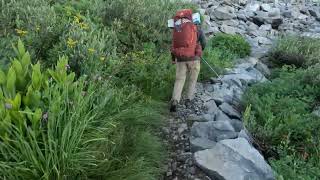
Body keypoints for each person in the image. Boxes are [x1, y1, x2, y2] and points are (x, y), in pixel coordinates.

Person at [170, 10, 206, 112]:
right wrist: (198, 49)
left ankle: (175, 100)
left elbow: (174, 45)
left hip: (180, 58)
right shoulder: (197, 29)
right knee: (192, 80)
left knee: (179, 80)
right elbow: (204, 43)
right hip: (194, 59)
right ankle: (188, 100)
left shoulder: (178, 28)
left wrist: (173, 58)